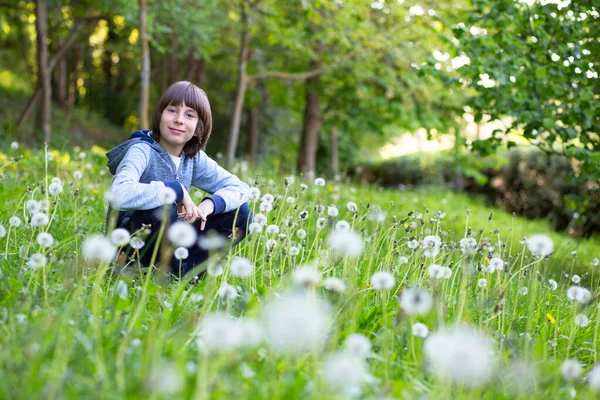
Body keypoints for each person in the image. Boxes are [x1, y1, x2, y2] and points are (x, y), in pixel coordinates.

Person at [105, 81, 252, 278]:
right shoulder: (141, 150)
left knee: (241, 213)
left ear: (199, 127)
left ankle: (183, 274)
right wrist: (175, 190)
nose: (179, 120)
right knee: (164, 209)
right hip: (133, 241)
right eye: (172, 110)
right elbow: (118, 194)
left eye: (189, 115)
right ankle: (142, 271)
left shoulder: (193, 158)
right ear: (159, 115)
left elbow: (241, 188)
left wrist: (210, 204)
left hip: (173, 240)